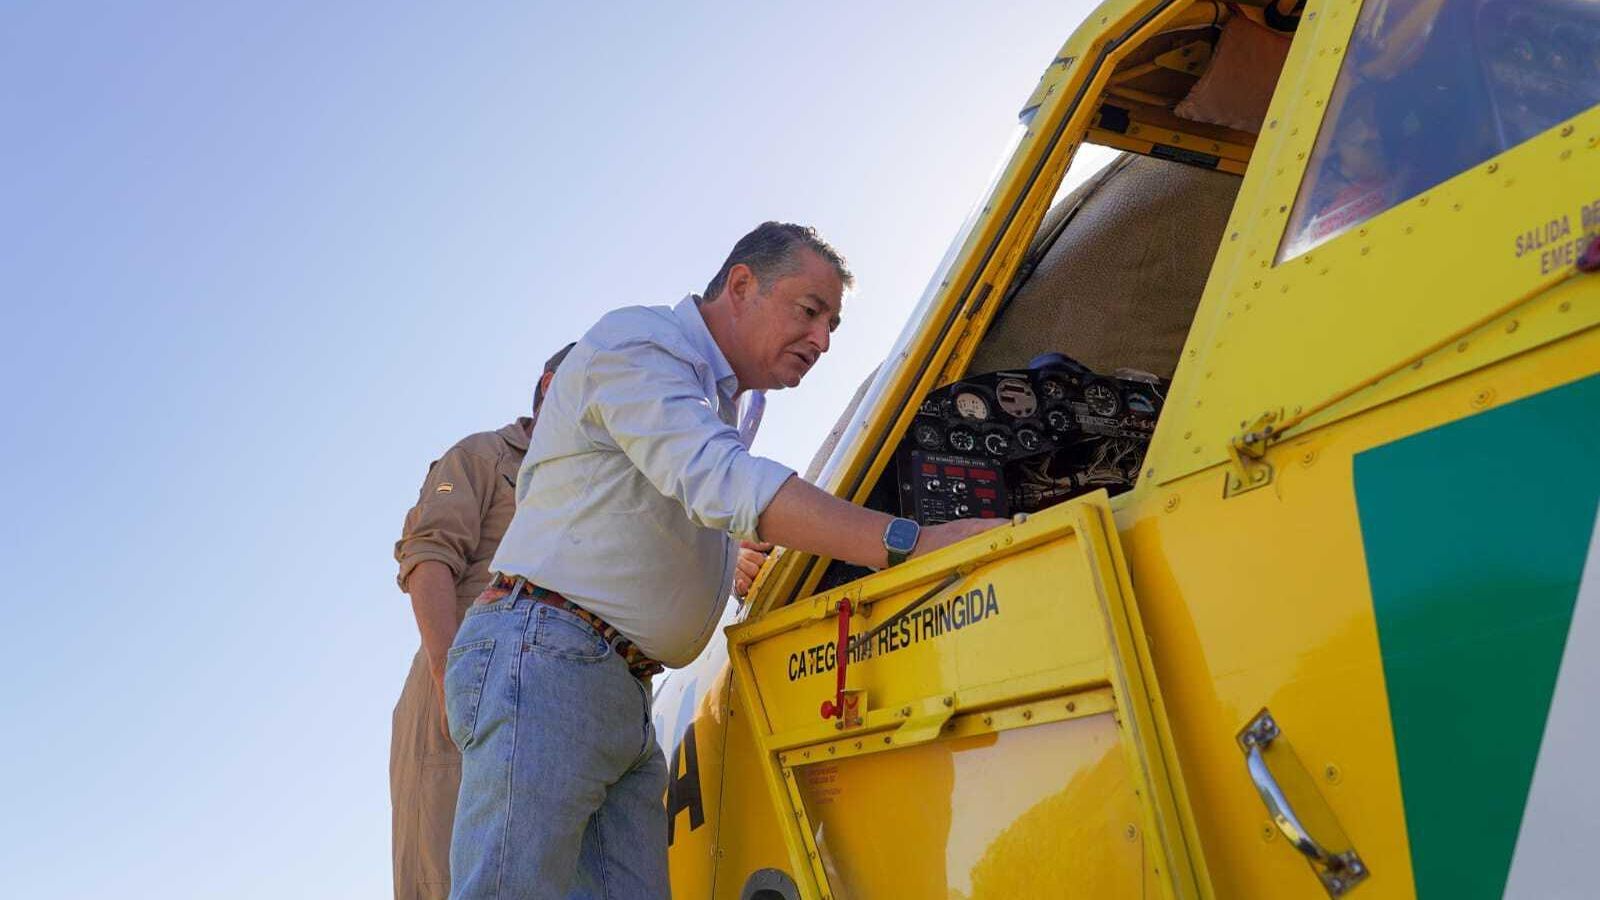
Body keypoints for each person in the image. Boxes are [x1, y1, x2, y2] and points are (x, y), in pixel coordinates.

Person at [444, 221, 1004, 899]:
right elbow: (720, 479)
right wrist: (907, 541)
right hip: (550, 656)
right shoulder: (640, 343)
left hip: (617, 683)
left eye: (833, 323)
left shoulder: (724, 399)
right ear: (741, 284)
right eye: (808, 311)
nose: (823, 339)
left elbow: (674, 495)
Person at [388, 343, 573, 900]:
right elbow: (428, 559)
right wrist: (454, 688)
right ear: (549, 387)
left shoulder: (591, 481)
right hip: (463, 687)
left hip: (546, 705)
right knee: (453, 877)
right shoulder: (484, 456)